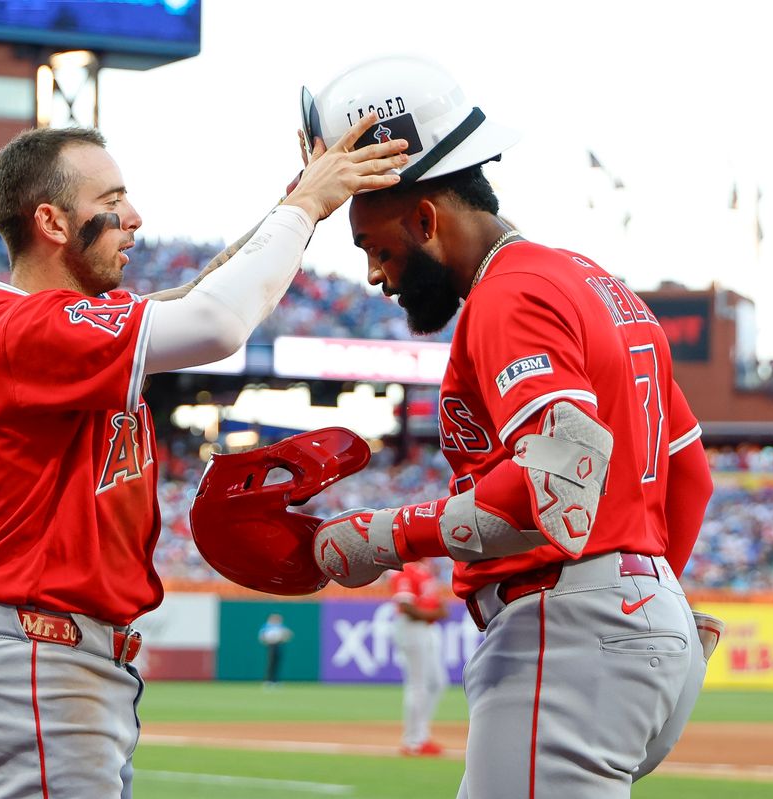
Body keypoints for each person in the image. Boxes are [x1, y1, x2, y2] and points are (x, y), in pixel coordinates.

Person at [0, 113, 408, 799]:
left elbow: (195, 296)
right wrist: (305, 208)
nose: (135, 217)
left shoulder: (57, 324)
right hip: (38, 661)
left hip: (66, 665)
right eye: (112, 201)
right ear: (53, 223)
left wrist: (294, 203)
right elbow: (215, 323)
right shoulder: (23, 326)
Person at [303, 56, 717, 797]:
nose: (374, 274)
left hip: (568, 628)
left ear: (426, 218)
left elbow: (556, 482)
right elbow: (689, 472)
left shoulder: (510, 292)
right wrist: (653, 606)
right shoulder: (597, 283)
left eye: (377, 247)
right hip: (642, 623)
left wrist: (383, 536)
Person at [391, 561, 448, 756]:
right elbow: (405, 606)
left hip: (427, 629)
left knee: (437, 683)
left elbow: (438, 603)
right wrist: (433, 613)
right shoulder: (405, 569)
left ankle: (421, 735)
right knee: (418, 685)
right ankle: (413, 741)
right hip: (411, 628)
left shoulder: (426, 570)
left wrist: (436, 612)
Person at [257, 612, 293, 686]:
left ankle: (275, 681)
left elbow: (288, 634)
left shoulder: (281, 626)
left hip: (279, 645)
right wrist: (266, 641)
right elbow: (262, 636)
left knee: (277, 664)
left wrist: (284, 638)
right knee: (271, 663)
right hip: (271, 645)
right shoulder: (267, 626)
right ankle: (268, 680)